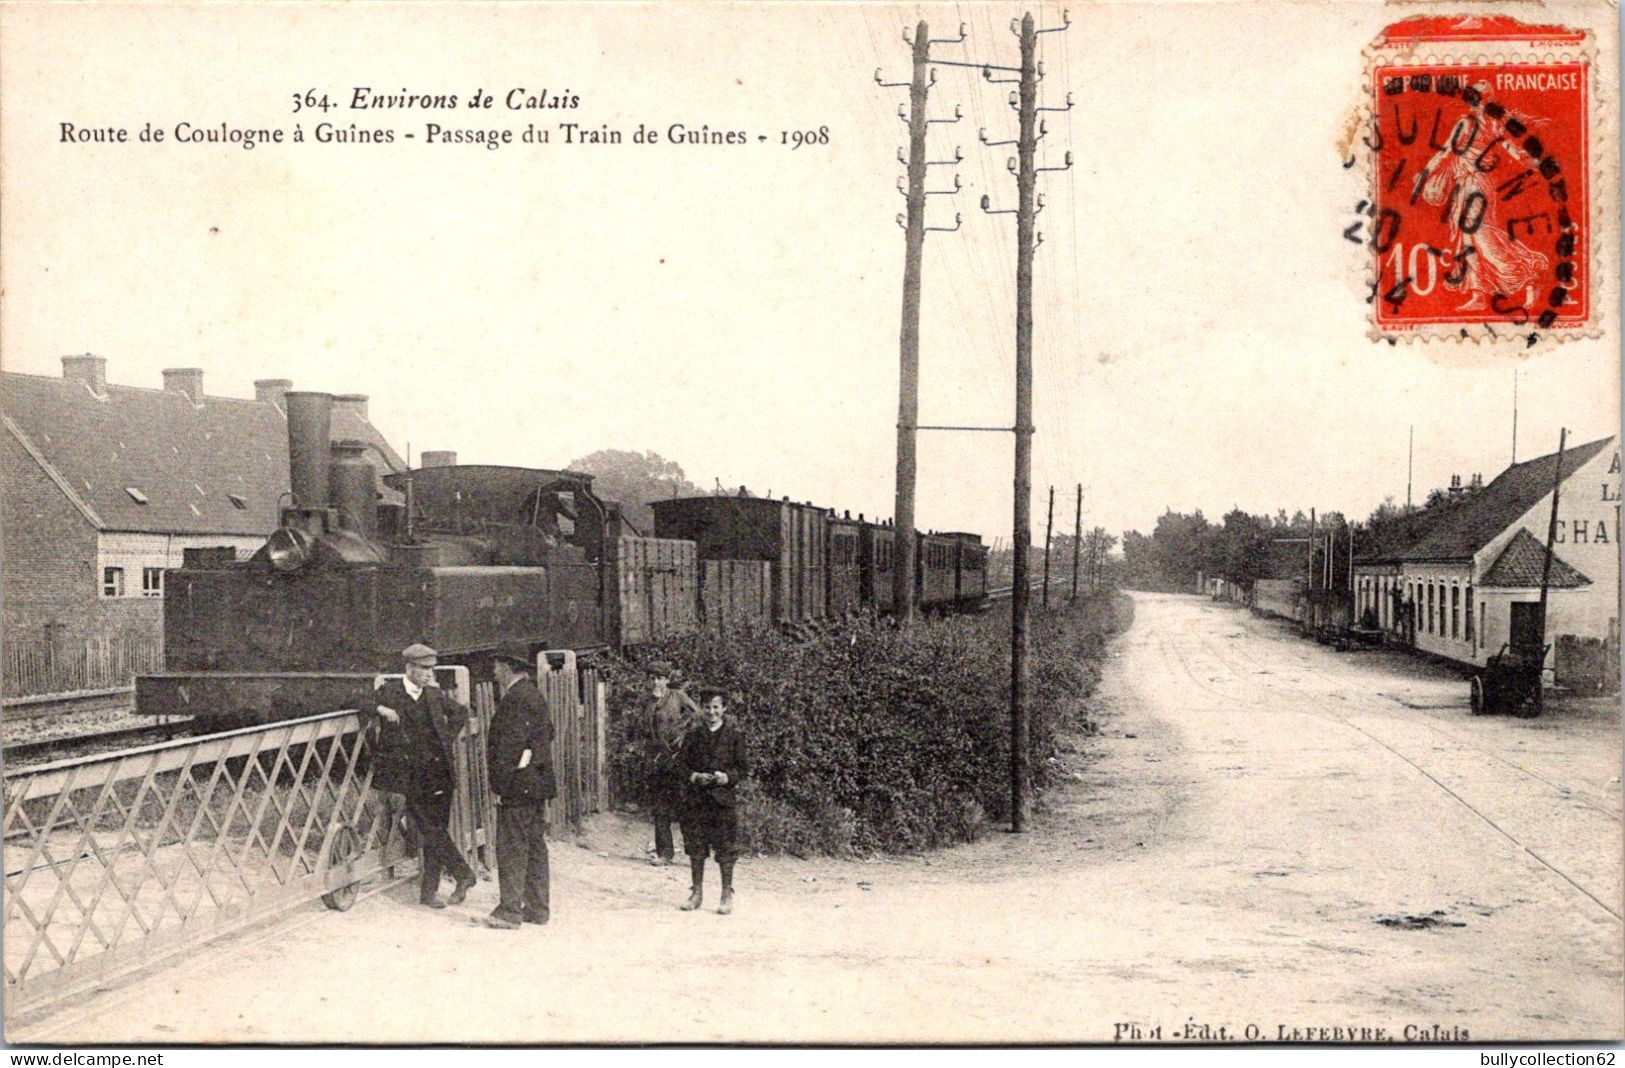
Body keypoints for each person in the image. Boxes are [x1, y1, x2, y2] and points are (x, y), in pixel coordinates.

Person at [368, 643, 477, 910]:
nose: (429, 673)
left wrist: (445, 740)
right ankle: (463, 874)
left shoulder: (433, 694)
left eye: (432, 668)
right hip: (410, 775)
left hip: (438, 773)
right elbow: (355, 700)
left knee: (434, 830)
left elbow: (461, 713)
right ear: (409, 668)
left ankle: (429, 893)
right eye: (424, 668)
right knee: (431, 828)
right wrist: (381, 710)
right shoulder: (391, 692)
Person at [481, 641, 557, 930]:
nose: (494, 670)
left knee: (512, 846)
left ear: (508, 667)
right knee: (535, 844)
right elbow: (546, 733)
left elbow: (508, 749)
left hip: (518, 785)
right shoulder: (533, 694)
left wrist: (500, 787)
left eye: (497, 664)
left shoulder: (515, 699)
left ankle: (510, 911)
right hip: (536, 783)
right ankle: (538, 908)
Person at [676, 686, 747, 915]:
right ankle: (696, 893)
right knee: (696, 847)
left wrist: (727, 777)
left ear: (724, 708)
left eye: (716, 707)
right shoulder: (694, 735)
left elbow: (743, 768)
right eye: (707, 707)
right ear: (702, 709)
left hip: (722, 801)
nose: (711, 712)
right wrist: (695, 776)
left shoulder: (734, 736)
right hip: (697, 800)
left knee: (725, 848)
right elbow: (681, 765)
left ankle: (726, 894)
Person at [644, 661, 698, 865]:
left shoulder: (678, 697)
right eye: (652, 678)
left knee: (684, 806)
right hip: (656, 761)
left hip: (677, 759)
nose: (656, 682)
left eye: (659, 678)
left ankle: (694, 853)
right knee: (659, 808)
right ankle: (665, 853)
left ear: (667, 679)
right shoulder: (646, 701)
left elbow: (697, 716)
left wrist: (682, 735)